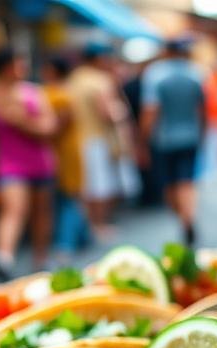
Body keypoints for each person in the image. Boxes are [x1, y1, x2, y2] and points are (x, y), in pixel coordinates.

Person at [0, 47, 56, 279]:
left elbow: (49, 127)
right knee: (14, 208)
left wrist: (22, 122)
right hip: (9, 164)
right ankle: (4, 257)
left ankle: (40, 258)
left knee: (41, 213)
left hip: (39, 162)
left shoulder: (33, 93)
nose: (22, 67)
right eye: (18, 62)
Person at [140, 38, 206, 246]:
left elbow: (150, 111)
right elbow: (201, 109)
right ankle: (188, 218)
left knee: (169, 186)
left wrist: (143, 140)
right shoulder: (195, 72)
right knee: (186, 181)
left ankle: (183, 218)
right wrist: (203, 133)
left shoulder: (155, 74)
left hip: (164, 139)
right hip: (190, 136)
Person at [68, 42, 131, 242]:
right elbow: (107, 113)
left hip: (77, 140)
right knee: (101, 186)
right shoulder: (101, 81)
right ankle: (99, 225)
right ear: (98, 59)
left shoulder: (74, 78)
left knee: (86, 187)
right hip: (98, 139)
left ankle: (88, 226)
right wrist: (121, 112)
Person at [42, 56, 88, 254]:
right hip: (61, 150)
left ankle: (66, 243)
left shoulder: (59, 95)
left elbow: (60, 125)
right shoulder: (57, 92)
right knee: (67, 196)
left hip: (63, 151)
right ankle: (82, 236)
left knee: (68, 196)